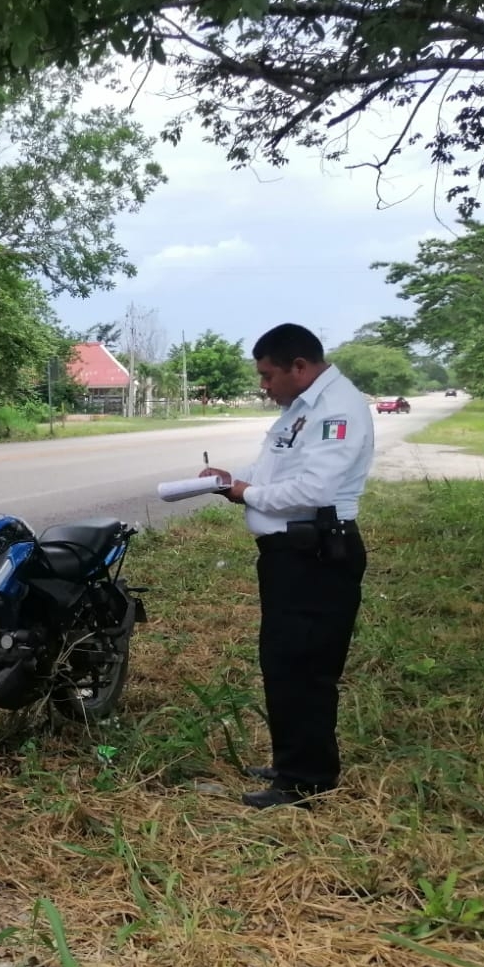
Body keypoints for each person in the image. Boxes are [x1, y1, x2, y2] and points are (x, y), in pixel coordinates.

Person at [199, 323, 373, 809]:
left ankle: (306, 780)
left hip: (317, 555)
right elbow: (277, 469)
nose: (264, 385)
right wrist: (234, 479)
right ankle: (292, 760)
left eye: (268, 375)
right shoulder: (302, 408)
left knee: (305, 664)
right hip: (291, 556)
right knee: (284, 663)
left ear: (300, 367)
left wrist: (245, 493)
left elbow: (314, 491)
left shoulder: (337, 408)